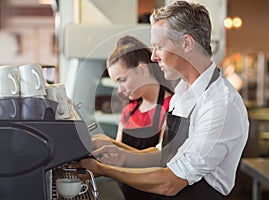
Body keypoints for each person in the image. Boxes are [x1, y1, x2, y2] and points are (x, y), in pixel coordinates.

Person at [71, 1, 249, 199]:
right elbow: (164, 154)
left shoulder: (220, 105)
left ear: (187, 43)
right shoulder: (183, 91)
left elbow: (170, 182)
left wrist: (103, 169)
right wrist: (118, 150)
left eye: (159, 47)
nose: (153, 57)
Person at [92, 35, 173, 199]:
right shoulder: (128, 111)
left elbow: (162, 162)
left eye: (123, 80)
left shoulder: (171, 106)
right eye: (117, 83)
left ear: (142, 69)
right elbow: (119, 155)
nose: (120, 90)